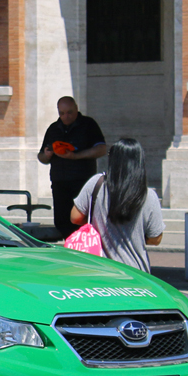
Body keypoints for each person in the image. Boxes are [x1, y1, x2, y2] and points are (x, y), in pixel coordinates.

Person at [71, 138, 164, 273]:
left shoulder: (96, 183)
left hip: (99, 270)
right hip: (136, 273)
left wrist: (99, 222)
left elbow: (75, 217)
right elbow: (156, 239)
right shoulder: (149, 195)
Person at [37, 96, 106, 239]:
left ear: (76, 109)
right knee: (62, 221)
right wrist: (47, 155)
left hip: (82, 182)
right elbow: (41, 157)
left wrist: (76, 156)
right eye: (61, 113)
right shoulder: (53, 129)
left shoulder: (88, 124)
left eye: (69, 112)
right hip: (60, 182)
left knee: (82, 221)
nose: (65, 117)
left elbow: (102, 149)